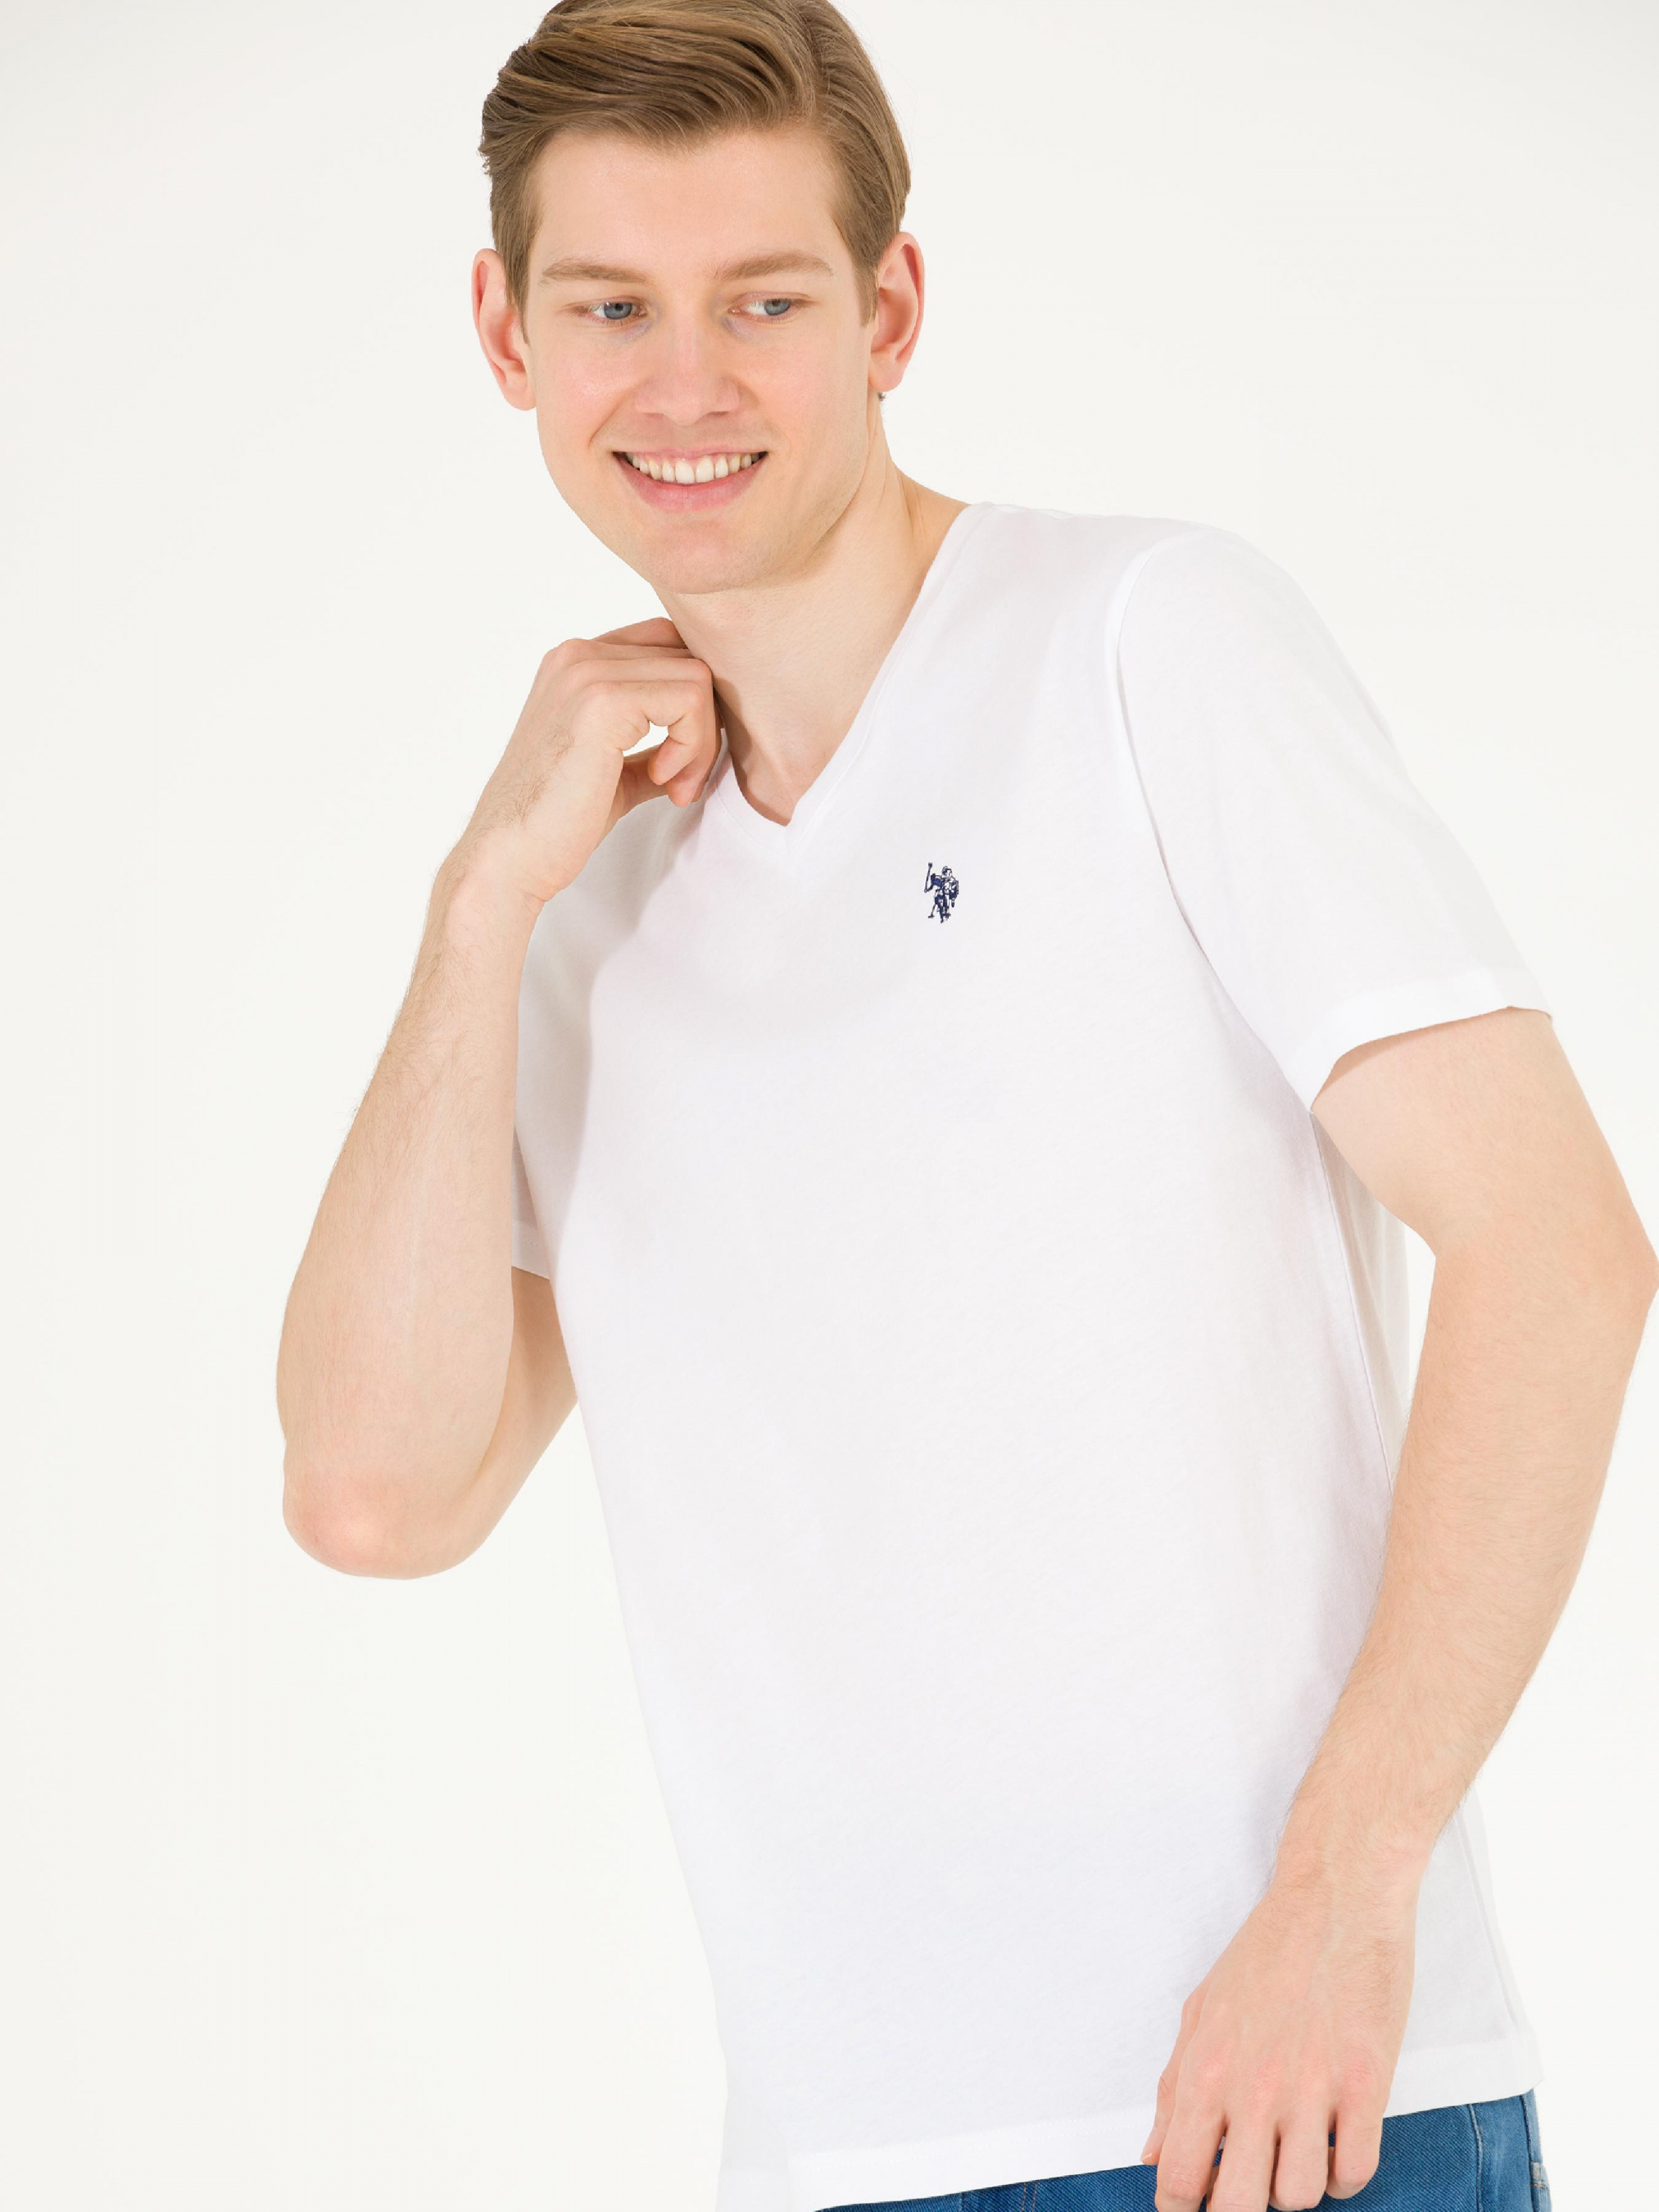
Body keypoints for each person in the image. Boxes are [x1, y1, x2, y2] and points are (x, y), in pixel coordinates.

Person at [274, 3, 1654, 2208]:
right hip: (842, 2148)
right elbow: (375, 1489)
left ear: (890, 308)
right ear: (506, 334)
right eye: (611, 306)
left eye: (764, 301)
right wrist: (475, 902)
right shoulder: (576, 883)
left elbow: (1553, 1247)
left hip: (1274, 2103)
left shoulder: (1140, 641)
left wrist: (1345, 1893)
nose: (685, 383)